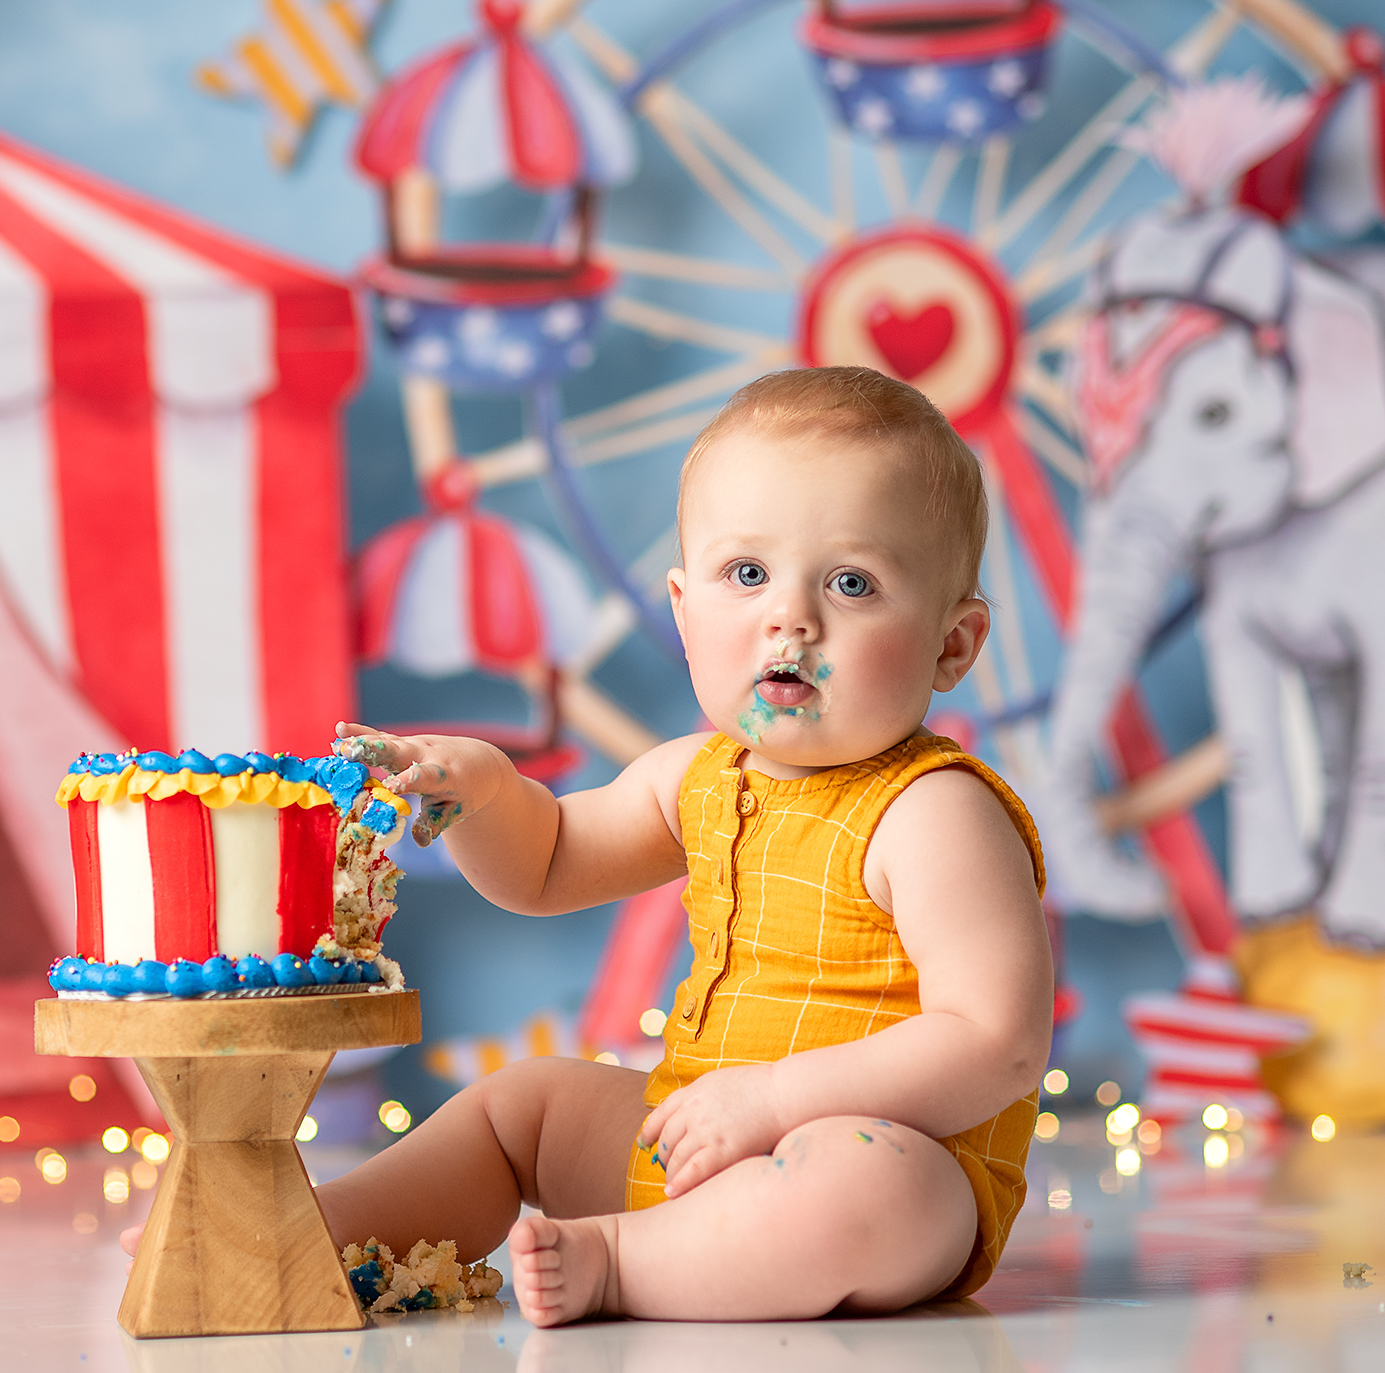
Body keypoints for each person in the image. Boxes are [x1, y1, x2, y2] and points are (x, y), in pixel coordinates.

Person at [319, 366, 1053, 1323]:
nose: (789, 617)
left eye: (851, 582)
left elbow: (997, 1042)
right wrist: (491, 795)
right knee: (523, 1104)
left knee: (867, 1185)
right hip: (691, 1136)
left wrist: (778, 1100)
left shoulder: (932, 810)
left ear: (953, 645)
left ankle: (620, 1264)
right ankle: (307, 1232)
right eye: (746, 575)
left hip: (880, 1165)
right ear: (681, 604)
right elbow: (545, 866)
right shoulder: (694, 774)